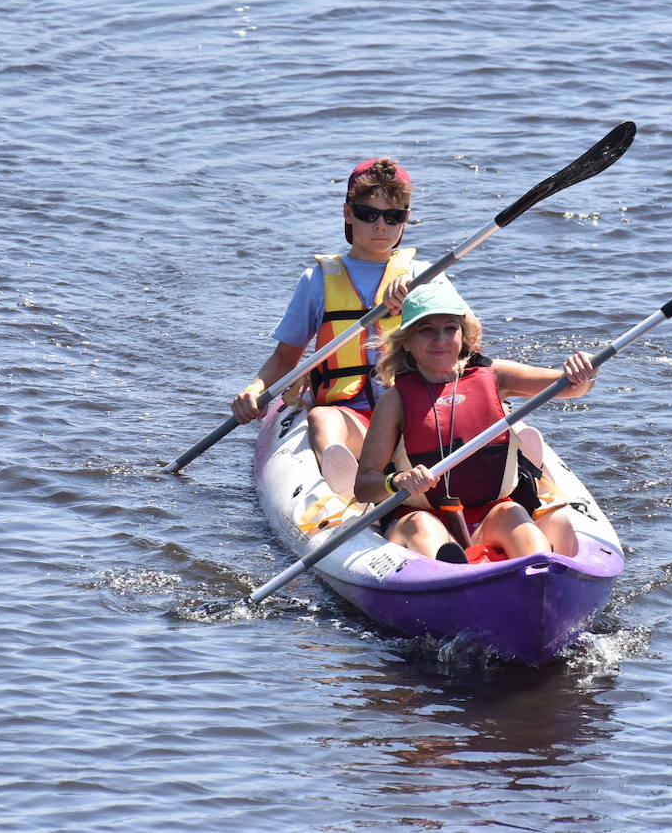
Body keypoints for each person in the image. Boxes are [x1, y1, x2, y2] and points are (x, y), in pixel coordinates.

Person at [231, 157, 445, 490]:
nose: (380, 226)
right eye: (367, 214)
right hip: (351, 417)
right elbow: (286, 357)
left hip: (413, 413)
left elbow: (466, 344)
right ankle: (340, 488)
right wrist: (255, 390)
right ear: (348, 213)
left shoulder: (424, 278)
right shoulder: (316, 280)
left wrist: (417, 303)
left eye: (393, 216)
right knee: (322, 417)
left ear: (406, 219)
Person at [354, 280, 597, 564]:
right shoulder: (395, 401)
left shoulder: (494, 376)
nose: (441, 339)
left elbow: (570, 388)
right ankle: (448, 575)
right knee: (422, 526)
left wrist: (586, 371)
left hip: (491, 511)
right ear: (406, 342)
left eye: (450, 328)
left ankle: (538, 578)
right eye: (427, 330)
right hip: (420, 516)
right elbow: (363, 486)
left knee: (515, 514)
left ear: (463, 334)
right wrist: (398, 481)